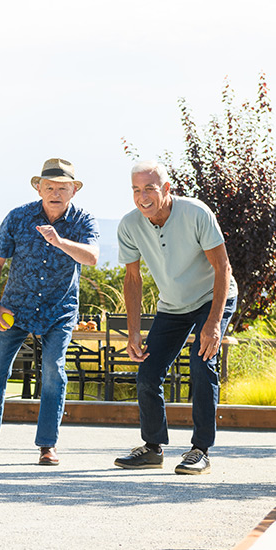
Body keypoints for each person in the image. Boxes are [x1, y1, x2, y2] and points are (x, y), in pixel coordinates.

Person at [0, 158, 98, 466]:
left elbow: (92, 257)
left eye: (62, 188)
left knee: (54, 370)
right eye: (49, 186)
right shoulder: (18, 217)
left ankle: (47, 445)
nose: (55, 193)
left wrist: (59, 241)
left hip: (59, 310)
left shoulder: (83, 221)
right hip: (15, 308)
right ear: (39, 188)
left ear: (73, 191)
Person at [113, 160, 238, 475]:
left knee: (201, 363)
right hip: (172, 306)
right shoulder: (129, 225)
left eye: (150, 188)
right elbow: (132, 280)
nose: (143, 196)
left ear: (166, 189)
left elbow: (222, 268)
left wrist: (212, 324)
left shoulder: (196, 214)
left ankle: (201, 450)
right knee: (147, 372)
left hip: (212, 298)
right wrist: (133, 333)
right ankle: (152, 448)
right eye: (136, 189)